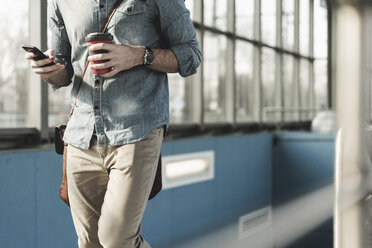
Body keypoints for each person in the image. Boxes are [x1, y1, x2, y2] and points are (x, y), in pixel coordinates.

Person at [25, 0, 202, 247]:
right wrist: (49, 70)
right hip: (81, 135)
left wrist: (139, 55)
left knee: (117, 240)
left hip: (136, 130)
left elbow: (191, 55)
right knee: (90, 243)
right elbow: (64, 69)